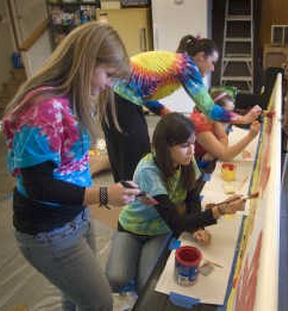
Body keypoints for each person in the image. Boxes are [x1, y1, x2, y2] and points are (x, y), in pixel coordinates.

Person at [2, 22, 141, 311]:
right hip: (47, 229)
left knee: (75, 296)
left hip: (73, 217)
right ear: (87, 62)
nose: (108, 85)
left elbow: (66, 164)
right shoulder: (45, 108)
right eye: (108, 75)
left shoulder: (75, 99)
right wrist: (103, 195)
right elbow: (39, 185)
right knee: (98, 301)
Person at [106, 113, 245, 294]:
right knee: (117, 279)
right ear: (166, 147)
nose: (192, 150)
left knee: (145, 285)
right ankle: (129, 265)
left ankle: (136, 273)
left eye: (193, 143)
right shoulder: (150, 171)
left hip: (160, 230)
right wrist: (218, 211)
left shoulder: (186, 160)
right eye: (185, 145)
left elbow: (192, 197)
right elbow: (176, 222)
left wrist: (198, 227)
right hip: (133, 228)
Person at [102, 34, 262, 182]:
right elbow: (210, 109)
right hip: (120, 102)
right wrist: (243, 119)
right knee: (135, 158)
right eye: (212, 62)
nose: (212, 68)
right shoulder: (186, 66)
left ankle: (129, 200)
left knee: (121, 156)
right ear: (201, 57)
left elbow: (141, 93)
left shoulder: (177, 62)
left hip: (111, 98)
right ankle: (137, 203)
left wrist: (165, 113)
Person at [191, 86, 261, 182]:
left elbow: (223, 137)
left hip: (206, 161)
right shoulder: (199, 123)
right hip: (193, 167)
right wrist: (250, 136)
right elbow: (226, 156)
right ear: (216, 110)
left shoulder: (212, 117)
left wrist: (215, 152)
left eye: (231, 112)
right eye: (227, 113)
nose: (230, 117)